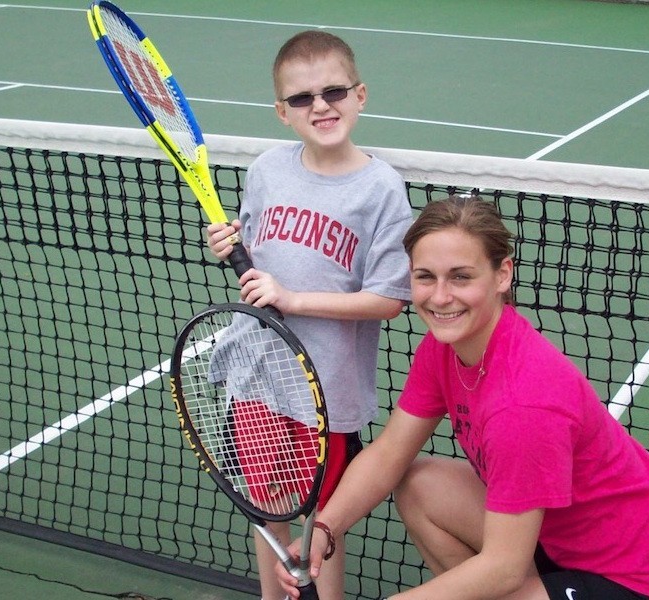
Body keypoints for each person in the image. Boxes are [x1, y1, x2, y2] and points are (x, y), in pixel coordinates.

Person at [276, 196, 649, 600]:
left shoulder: (523, 404)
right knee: (421, 484)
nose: (440, 297)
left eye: (461, 276)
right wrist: (325, 530)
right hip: (549, 539)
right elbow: (389, 454)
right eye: (425, 276)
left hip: (630, 580)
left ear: (502, 275)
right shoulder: (445, 347)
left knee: (487, 581)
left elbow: (504, 568)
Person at [206, 30, 412, 600]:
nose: (320, 106)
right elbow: (255, 251)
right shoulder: (268, 169)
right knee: (267, 506)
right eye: (302, 99)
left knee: (325, 519)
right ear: (282, 112)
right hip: (259, 377)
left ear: (360, 94)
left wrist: (294, 300)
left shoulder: (382, 190)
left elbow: (389, 299)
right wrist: (228, 242)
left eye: (334, 91)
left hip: (328, 389)